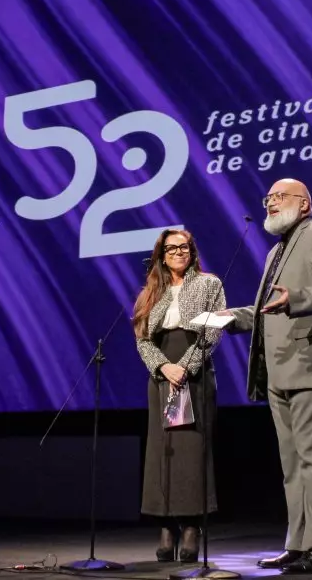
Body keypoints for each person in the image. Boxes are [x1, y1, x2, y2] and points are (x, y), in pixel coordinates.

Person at [219, 178, 312, 574]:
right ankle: (297, 545)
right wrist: (230, 318)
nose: (271, 203)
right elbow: (267, 309)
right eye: (268, 198)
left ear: (305, 205)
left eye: (280, 197)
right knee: (292, 466)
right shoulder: (276, 252)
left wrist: (297, 298)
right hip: (280, 373)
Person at [133, 228, 226, 563]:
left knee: (191, 450)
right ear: (161, 254)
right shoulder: (149, 293)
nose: (178, 252)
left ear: (192, 251)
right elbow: (143, 339)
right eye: (171, 248)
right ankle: (165, 526)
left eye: (184, 247)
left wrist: (185, 366)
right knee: (163, 450)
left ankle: (190, 527)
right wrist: (163, 368)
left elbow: (213, 331)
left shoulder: (209, 284)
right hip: (161, 375)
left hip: (195, 370)